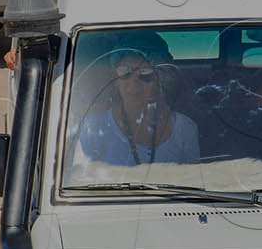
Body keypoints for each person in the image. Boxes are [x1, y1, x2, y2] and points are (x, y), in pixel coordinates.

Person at [76, 35, 200, 166]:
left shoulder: (185, 129)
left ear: (159, 79)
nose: (134, 82)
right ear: (116, 78)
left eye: (145, 72)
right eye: (125, 71)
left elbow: (193, 180)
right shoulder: (94, 128)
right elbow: (83, 178)